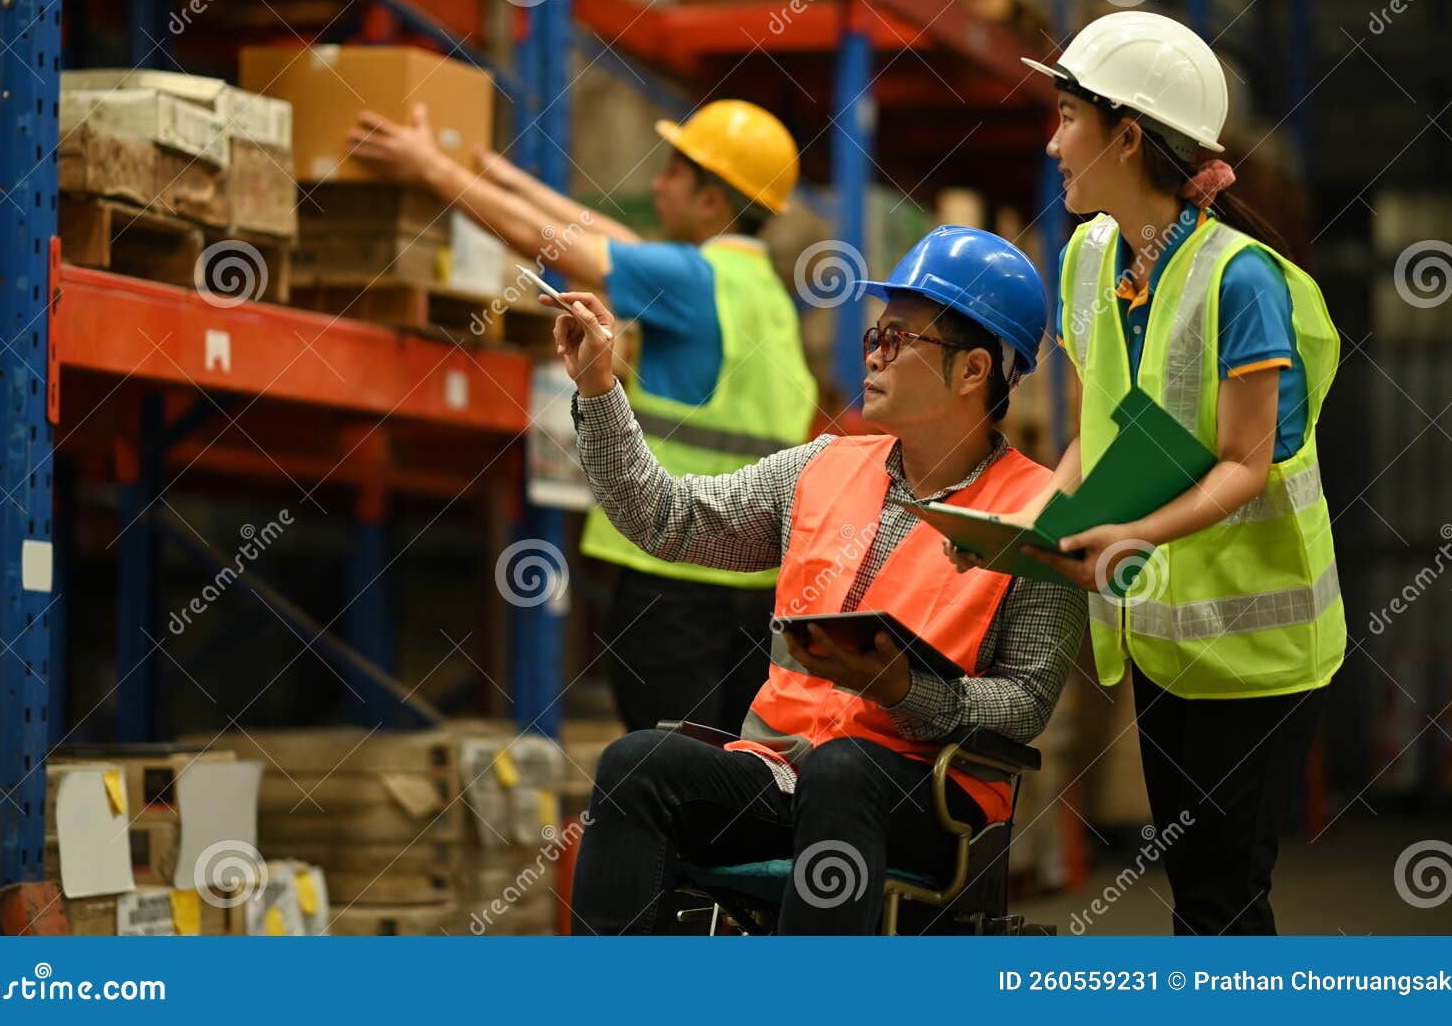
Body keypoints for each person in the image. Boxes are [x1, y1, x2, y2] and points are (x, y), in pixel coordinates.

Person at [547, 227, 1087, 935]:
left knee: (844, 770)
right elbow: (667, 518)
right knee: (637, 763)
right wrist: (600, 386)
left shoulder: (1041, 515)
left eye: (899, 339)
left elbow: (1025, 703)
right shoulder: (821, 466)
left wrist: (907, 692)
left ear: (973, 369)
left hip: (926, 795)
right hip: (781, 774)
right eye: (875, 334)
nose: (873, 352)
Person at [993, 10, 1343, 935]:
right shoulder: (1087, 261)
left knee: (1226, 898)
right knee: (1195, 895)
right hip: (1166, 637)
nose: (1053, 139)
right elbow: (1100, 434)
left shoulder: (1242, 280)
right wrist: (1030, 524)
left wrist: (1133, 534)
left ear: (1129, 134)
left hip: (1261, 649)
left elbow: (1247, 461)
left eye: (1068, 116)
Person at [350, 100, 817, 734]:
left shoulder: (690, 278)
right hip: (752, 586)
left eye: (674, 172)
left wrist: (430, 168)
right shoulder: (762, 292)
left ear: (712, 202)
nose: (657, 185)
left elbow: (557, 249)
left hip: (669, 578)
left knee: (664, 766)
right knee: (726, 768)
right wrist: (507, 180)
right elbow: (610, 241)